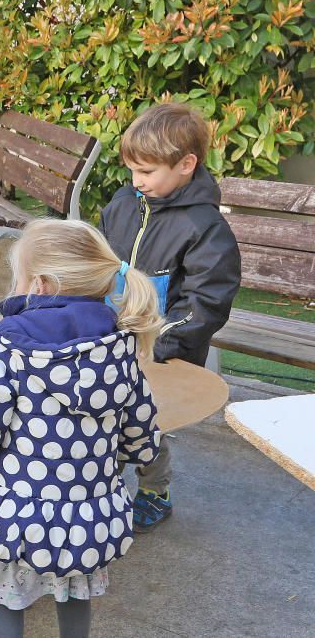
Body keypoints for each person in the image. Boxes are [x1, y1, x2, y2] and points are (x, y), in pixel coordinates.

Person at [0, 219, 164, 638]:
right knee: (76, 598)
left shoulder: (9, 345)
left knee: (7, 602)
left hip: (15, 520)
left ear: (38, 284)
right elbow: (141, 434)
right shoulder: (121, 345)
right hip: (90, 521)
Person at [99, 103, 241, 532]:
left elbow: (208, 300)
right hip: (112, 338)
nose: (136, 182)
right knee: (103, 413)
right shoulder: (124, 204)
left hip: (167, 349)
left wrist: (162, 342)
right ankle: (101, 487)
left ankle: (153, 492)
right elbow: (102, 264)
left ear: (186, 164)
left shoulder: (204, 226)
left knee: (148, 422)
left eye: (146, 173)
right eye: (132, 172)